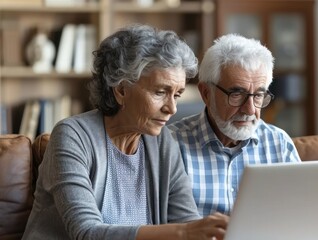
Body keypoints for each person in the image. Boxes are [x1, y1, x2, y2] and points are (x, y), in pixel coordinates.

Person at [22, 24, 228, 240]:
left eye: (176, 95)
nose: (172, 109)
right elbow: (86, 233)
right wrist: (185, 232)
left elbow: (188, 221)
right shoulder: (72, 136)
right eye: (160, 92)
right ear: (121, 90)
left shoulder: (163, 143)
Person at [168, 34, 302, 217]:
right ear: (206, 93)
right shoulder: (171, 145)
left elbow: (298, 215)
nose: (249, 109)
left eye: (258, 96)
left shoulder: (279, 144)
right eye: (237, 94)